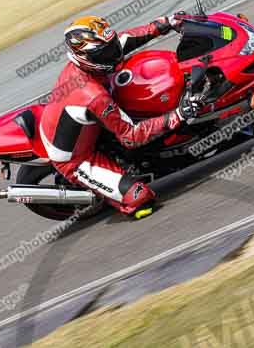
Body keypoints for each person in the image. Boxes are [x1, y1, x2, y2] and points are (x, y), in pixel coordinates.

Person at [39, 15, 200, 219]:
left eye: (111, 45)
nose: (114, 54)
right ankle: (115, 193)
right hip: (76, 158)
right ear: (85, 57)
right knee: (141, 199)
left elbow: (127, 38)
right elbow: (130, 136)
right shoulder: (92, 95)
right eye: (106, 52)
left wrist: (165, 23)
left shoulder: (98, 56)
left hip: (88, 126)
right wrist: (178, 115)